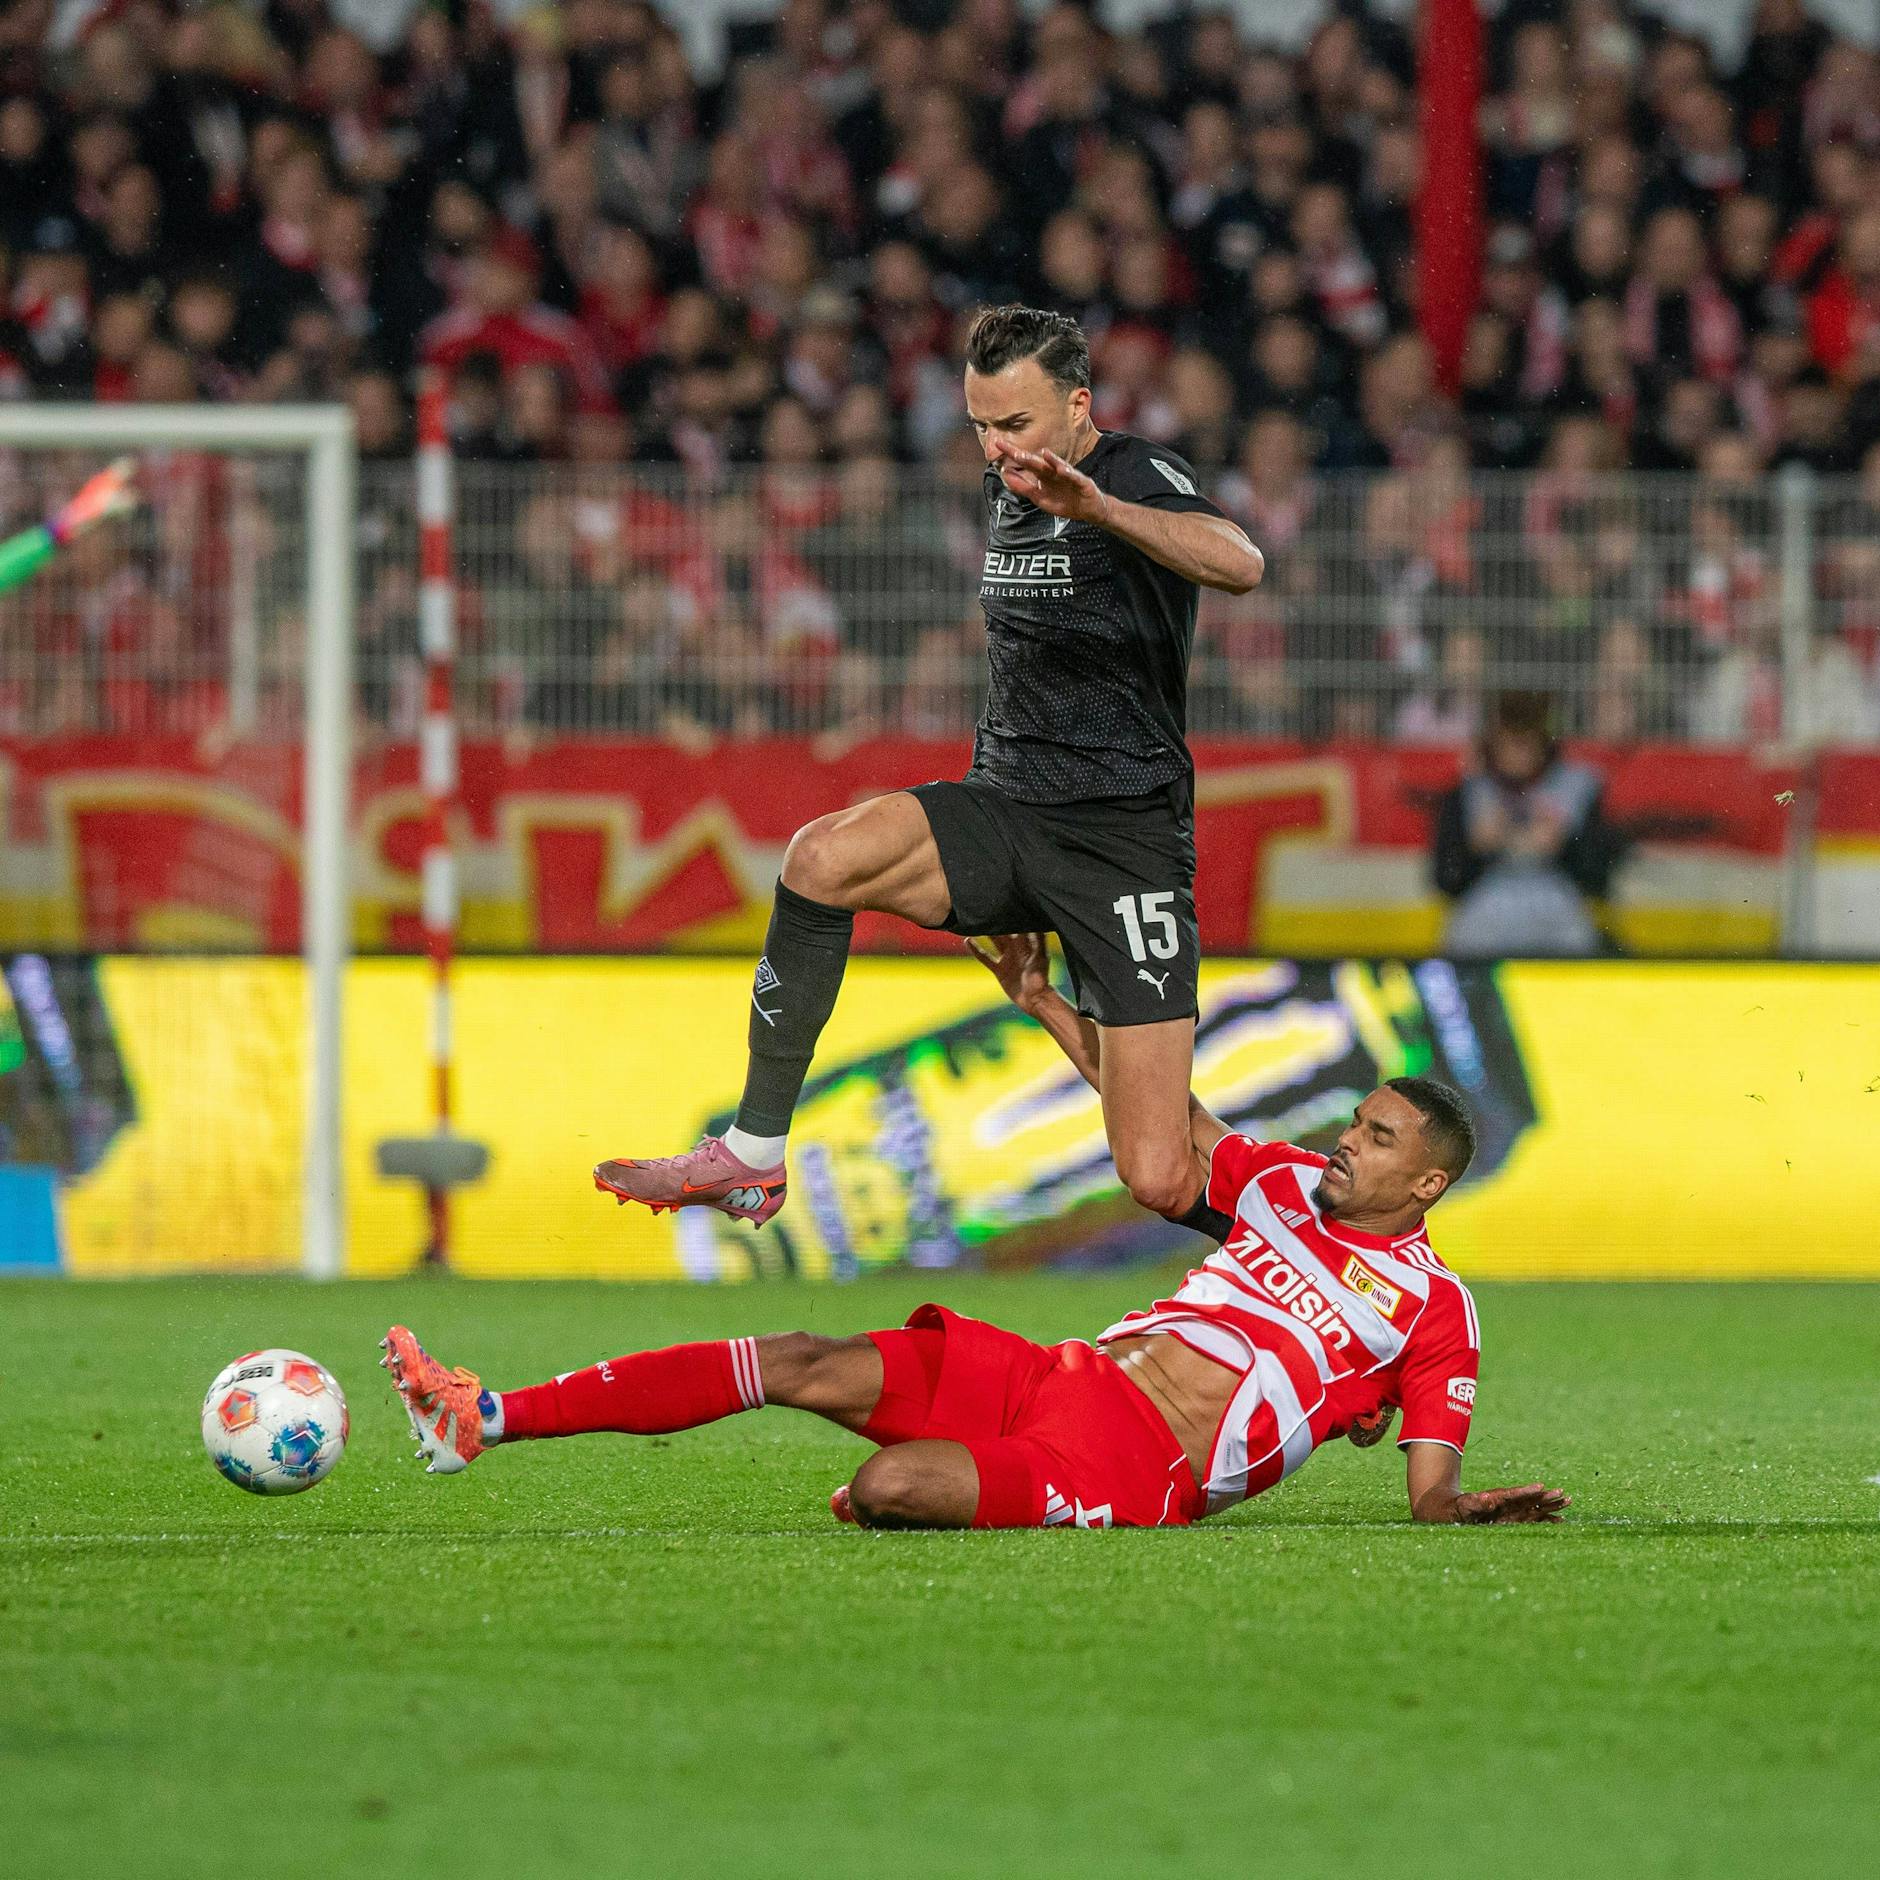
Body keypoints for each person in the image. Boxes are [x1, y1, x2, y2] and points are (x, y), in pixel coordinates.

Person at [384, 934, 1567, 1532]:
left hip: (1135, 1464)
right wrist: (1045, 1000)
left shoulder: (1433, 1306)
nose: (1345, 1140)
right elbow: (1160, 1114)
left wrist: (1455, 1507)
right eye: (1354, 1121)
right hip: (1065, 1375)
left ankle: (915, 1497)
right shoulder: (1279, 1182)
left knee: (887, 1484)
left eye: (1372, 1136)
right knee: (800, 1354)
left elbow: (1426, 1484)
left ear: (1424, 1184)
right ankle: (481, 1417)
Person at [594, 305, 1265, 1247]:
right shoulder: (1010, 482)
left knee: (1157, 1172)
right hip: (1007, 805)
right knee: (819, 860)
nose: (995, 448)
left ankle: (1309, 1258)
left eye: (1016, 425)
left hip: (1122, 841)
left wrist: (1101, 510)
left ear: (1079, 406)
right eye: (980, 426)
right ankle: (753, 1150)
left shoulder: (1132, 473)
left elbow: (1242, 563)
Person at [1432, 692, 1625, 958]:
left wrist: (1566, 844)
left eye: (1526, 742)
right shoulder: (1467, 793)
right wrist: (1473, 847)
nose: (1517, 752)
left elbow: (1600, 880)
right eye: (1509, 741)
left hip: (1560, 921)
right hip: (1484, 921)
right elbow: (1444, 882)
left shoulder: (1578, 786)